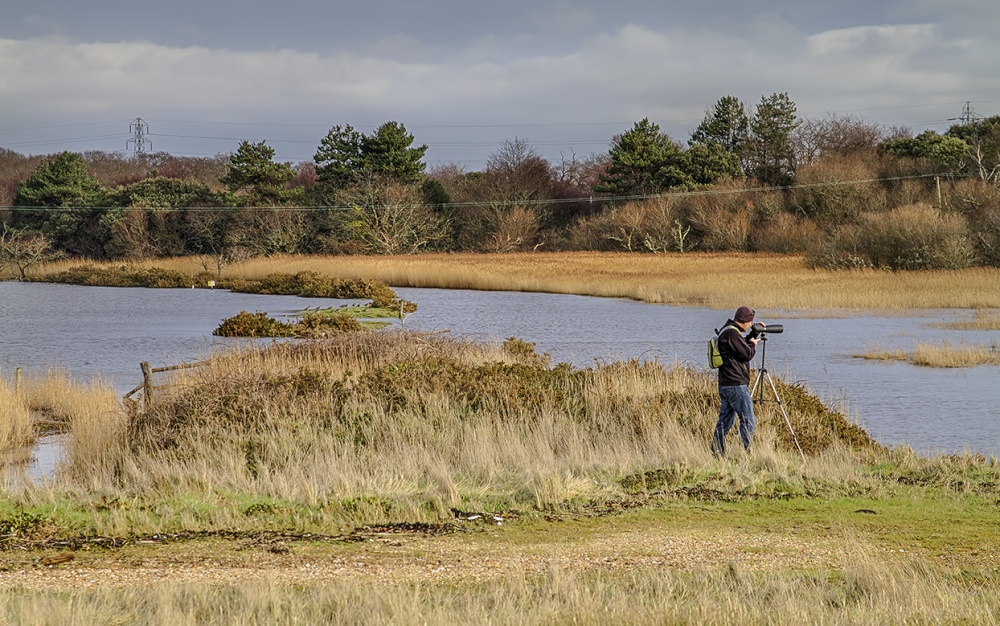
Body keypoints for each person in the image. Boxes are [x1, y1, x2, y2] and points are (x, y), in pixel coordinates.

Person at [711, 306, 763, 456]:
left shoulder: (727, 330)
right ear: (745, 321)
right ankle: (746, 454)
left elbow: (738, 348)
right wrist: (753, 344)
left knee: (725, 421)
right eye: (750, 323)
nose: (750, 325)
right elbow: (746, 354)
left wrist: (753, 334)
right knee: (748, 420)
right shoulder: (732, 334)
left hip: (726, 384)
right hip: (736, 385)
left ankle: (717, 453)